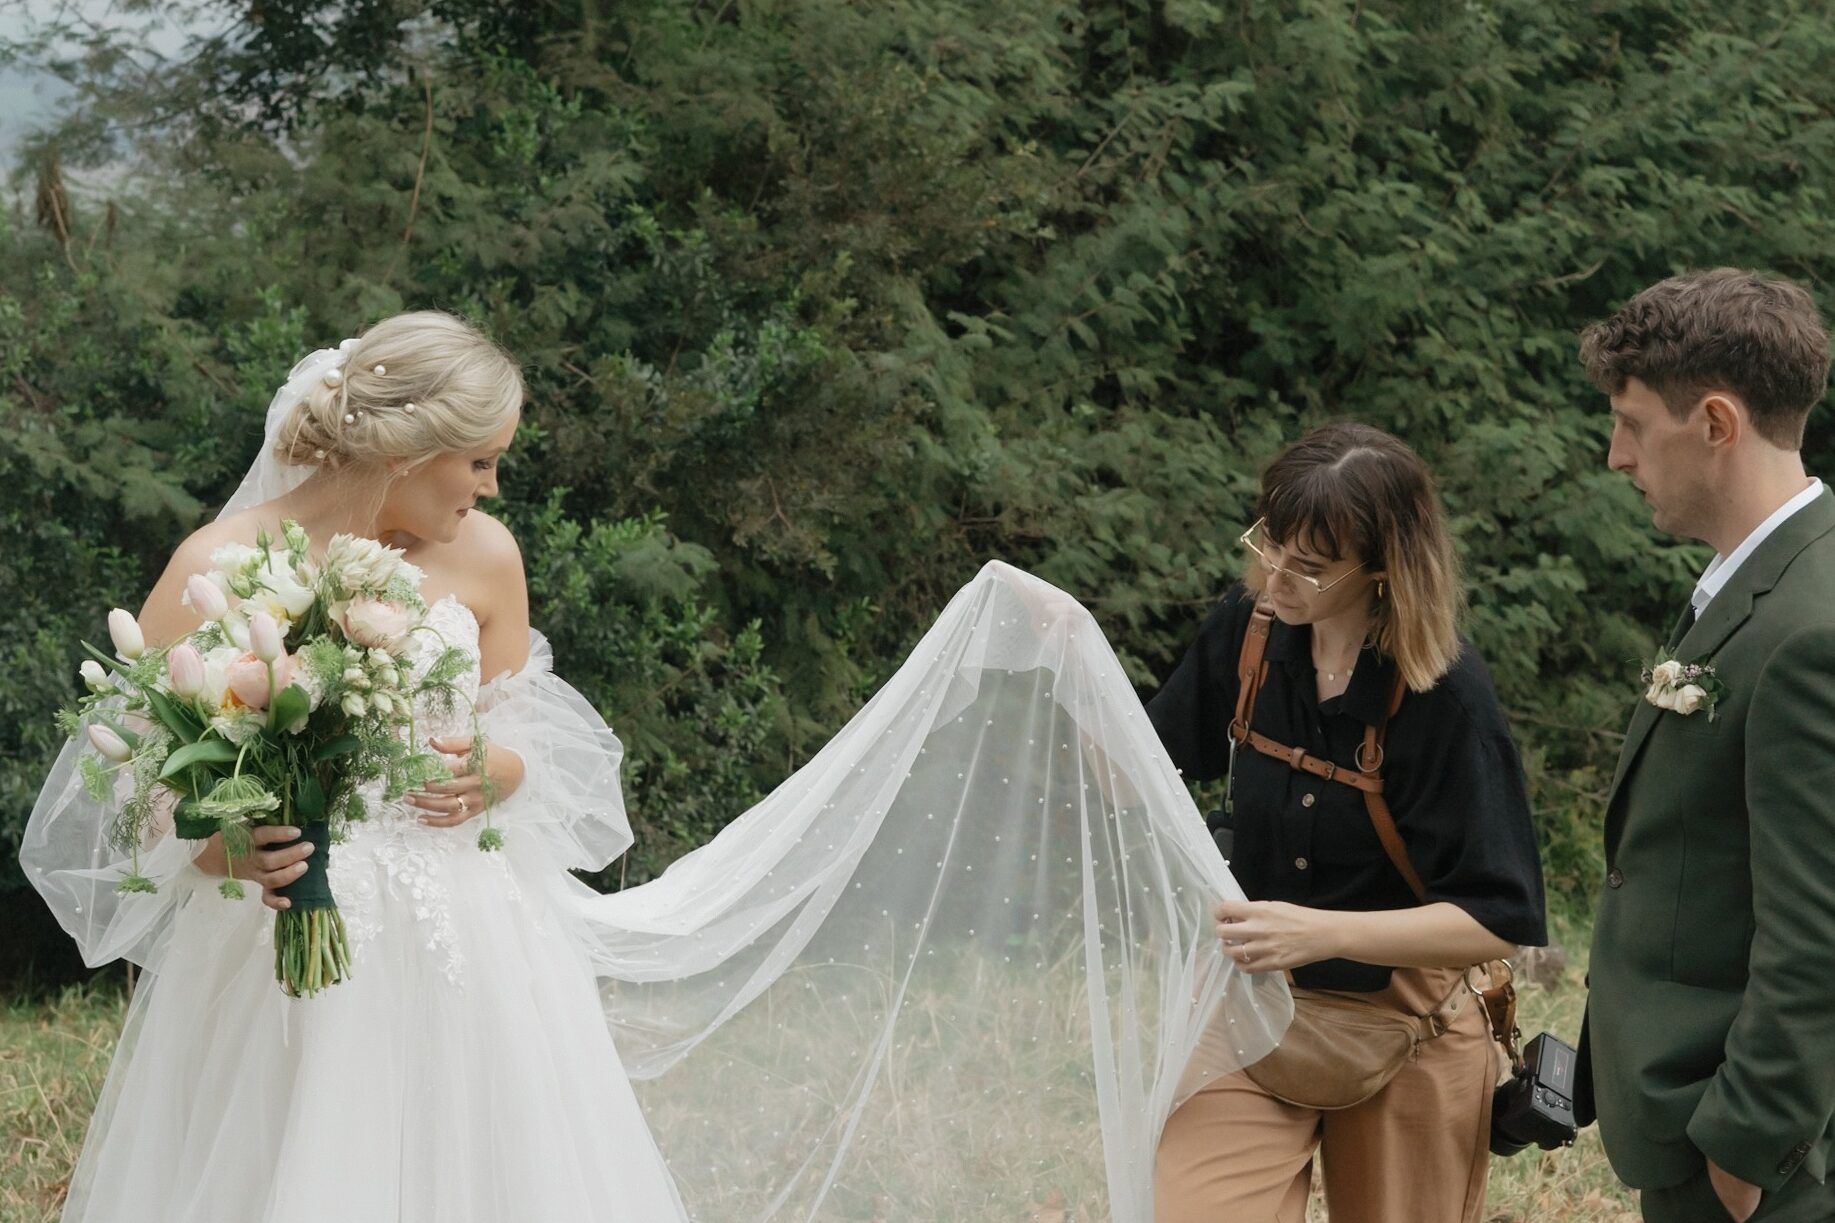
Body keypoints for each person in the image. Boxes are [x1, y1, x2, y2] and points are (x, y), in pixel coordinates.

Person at [23, 311, 1288, 1221]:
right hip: (280, 946)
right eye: (480, 460)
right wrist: (223, 841)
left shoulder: (486, 559)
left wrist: (495, 769)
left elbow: (546, 736)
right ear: (410, 455)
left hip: (473, 929)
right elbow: (129, 772)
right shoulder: (220, 561)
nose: (493, 484)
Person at [1148, 422, 1547, 1223]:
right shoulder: (1247, 629)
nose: (1274, 574)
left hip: (1409, 1018)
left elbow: (1497, 918)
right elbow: (1145, 766)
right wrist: (1059, 654)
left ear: (1381, 572)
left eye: (1309, 564)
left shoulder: (1447, 700)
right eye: (1268, 541)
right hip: (1247, 999)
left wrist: (1322, 932)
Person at [1576, 268, 1835, 1223]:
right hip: (1690, 1115)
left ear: (1715, 423)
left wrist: (1743, 1145)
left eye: (1632, 424)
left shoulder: (1809, 628)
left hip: (1756, 1164)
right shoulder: (1758, 583)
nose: (1615, 455)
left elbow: (1817, 925)